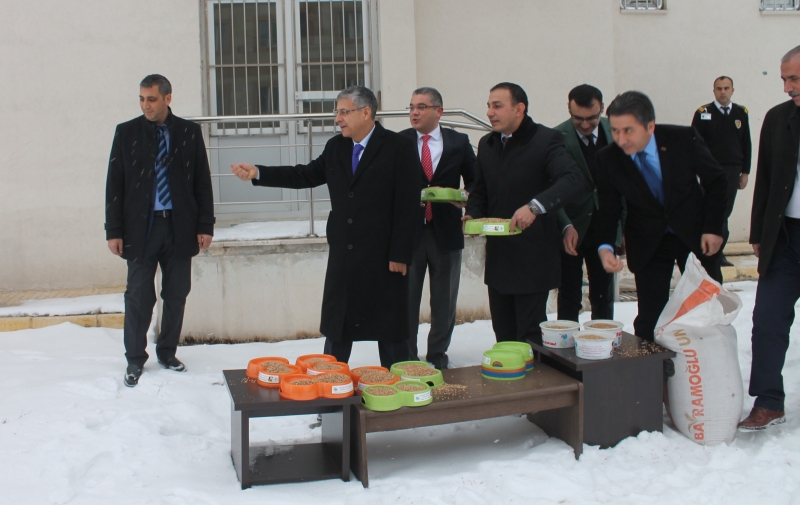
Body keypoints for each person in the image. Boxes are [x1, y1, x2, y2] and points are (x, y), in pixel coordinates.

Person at [230, 86, 419, 368]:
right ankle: (331, 397)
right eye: (337, 112)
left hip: (384, 257)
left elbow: (407, 204)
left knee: (390, 331)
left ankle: (398, 400)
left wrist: (400, 253)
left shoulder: (398, 147)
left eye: (344, 111)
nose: (338, 118)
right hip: (345, 253)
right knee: (337, 329)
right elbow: (304, 174)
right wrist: (259, 172)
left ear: (366, 112)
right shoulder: (336, 147)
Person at [105, 74, 215, 387]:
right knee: (139, 296)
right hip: (141, 228)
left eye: (151, 99)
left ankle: (167, 352)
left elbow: (201, 182)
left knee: (177, 292)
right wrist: (114, 230)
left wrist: (204, 225)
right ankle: (135, 359)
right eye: (141, 99)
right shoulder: (127, 133)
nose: (145, 105)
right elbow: (115, 183)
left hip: (179, 226)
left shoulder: (188, 132)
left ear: (167, 98)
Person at [595, 91, 727, 342]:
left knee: (707, 306)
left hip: (695, 234)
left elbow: (717, 180)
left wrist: (714, 227)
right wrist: (605, 247)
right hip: (648, 240)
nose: (621, 139)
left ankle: (708, 365)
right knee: (650, 316)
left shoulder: (682, 139)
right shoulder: (607, 159)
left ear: (650, 126)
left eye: (629, 130)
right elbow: (608, 207)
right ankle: (654, 374)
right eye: (615, 130)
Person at [464, 82, 584, 343]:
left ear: (519, 109)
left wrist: (535, 207)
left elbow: (573, 178)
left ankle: (537, 383)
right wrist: (472, 216)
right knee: (503, 334)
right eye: (488, 106)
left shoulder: (546, 139)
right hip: (498, 258)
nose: (490, 112)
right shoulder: (487, 144)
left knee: (529, 336)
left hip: (533, 258)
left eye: (498, 106)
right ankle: (510, 382)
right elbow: (481, 192)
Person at [738, 45, 800, 432]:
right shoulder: (778, 119)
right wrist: (759, 232)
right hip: (786, 239)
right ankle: (768, 400)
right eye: (784, 78)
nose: (786, 87)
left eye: (793, 78)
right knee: (768, 319)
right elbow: (764, 177)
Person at [400, 87, 476, 370]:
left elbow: (476, 179)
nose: (414, 113)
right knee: (406, 301)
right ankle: (407, 357)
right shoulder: (399, 142)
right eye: (411, 107)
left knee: (443, 303)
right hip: (409, 234)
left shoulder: (458, 141)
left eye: (421, 106)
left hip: (446, 231)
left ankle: (437, 356)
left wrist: (464, 198)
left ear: (438, 111)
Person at [554, 84, 621, 323]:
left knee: (604, 294)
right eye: (577, 118)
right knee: (569, 294)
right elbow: (550, 190)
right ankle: (566, 347)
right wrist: (563, 225)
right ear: (568, 109)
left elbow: (625, 183)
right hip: (570, 227)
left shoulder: (616, 133)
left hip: (606, 227)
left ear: (602, 108)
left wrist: (623, 229)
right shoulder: (556, 137)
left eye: (591, 118)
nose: (584, 125)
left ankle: (603, 345)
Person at [691, 76, 752, 267]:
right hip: (711, 170)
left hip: (733, 169)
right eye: (719, 88)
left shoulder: (741, 113)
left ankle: (718, 249)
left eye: (726, 88)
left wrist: (745, 172)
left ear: (733, 90)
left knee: (725, 210)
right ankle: (713, 251)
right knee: (712, 209)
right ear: (714, 90)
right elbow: (695, 144)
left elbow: (746, 143)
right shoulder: (703, 113)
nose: (723, 92)